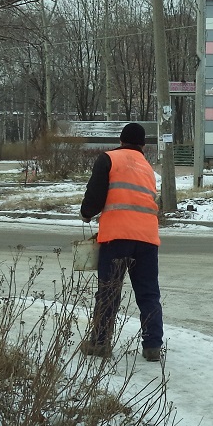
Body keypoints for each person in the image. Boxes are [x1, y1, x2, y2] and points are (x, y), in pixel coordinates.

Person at [79, 122, 164, 362]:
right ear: (143, 146)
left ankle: (100, 343)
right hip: (147, 238)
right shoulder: (148, 168)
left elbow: (96, 195)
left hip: (117, 237)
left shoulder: (109, 158)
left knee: (109, 291)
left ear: (120, 140)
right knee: (148, 294)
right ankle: (152, 347)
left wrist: (86, 213)